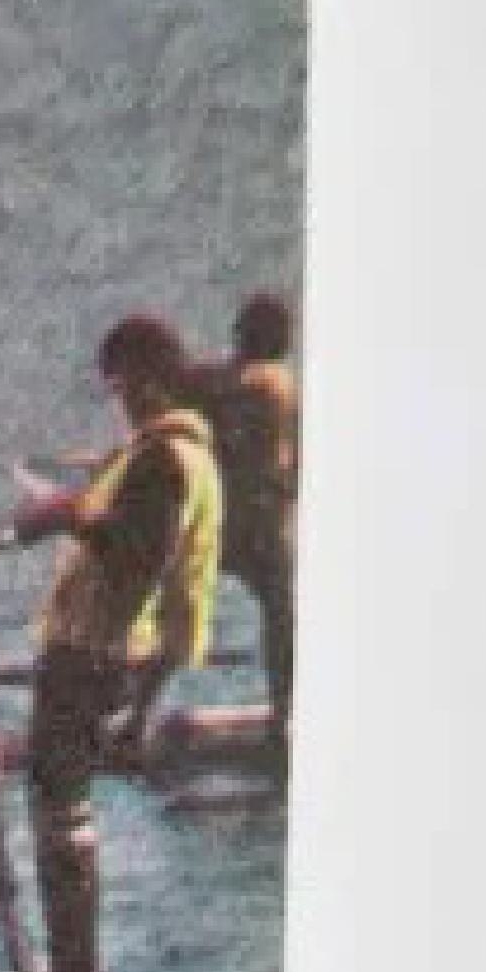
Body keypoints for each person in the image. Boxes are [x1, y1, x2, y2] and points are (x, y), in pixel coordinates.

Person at [0, 315, 221, 972]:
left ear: (147, 377)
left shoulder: (163, 461)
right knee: (63, 807)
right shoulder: (182, 456)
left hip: (95, 650)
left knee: (59, 809)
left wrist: (66, 517)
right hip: (123, 652)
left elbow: (136, 557)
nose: (118, 401)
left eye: (121, 386)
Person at [191, 290, 299, 752]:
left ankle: (134, 714)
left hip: (232, 524)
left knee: (175, 606)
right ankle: (282, 713)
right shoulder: (275, 383)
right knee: (281, 615)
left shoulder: (250, 381)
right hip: (259, 525)